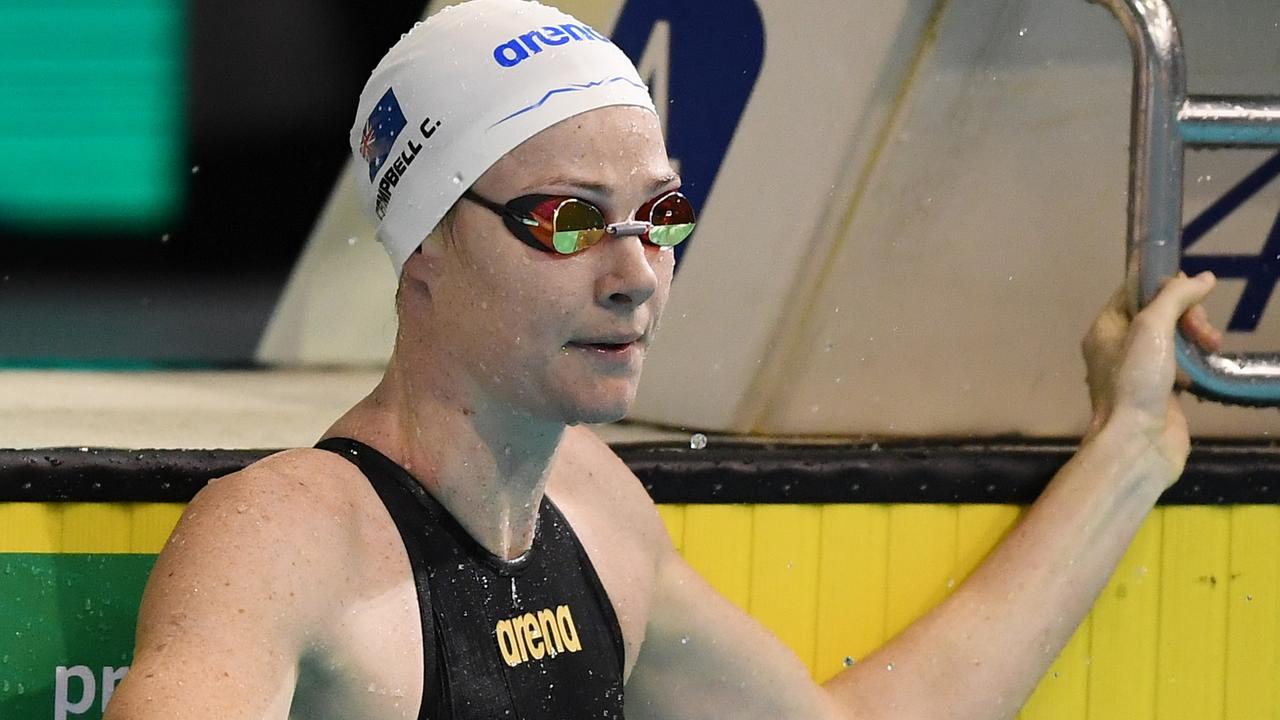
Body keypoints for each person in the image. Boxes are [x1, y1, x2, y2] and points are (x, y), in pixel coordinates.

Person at [104, 1, 1224, 718]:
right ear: (424, 253)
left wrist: (1125, 453)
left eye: (659, 213)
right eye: (566, 220)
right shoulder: (288, 535)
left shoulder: (593, 511)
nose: (635, 271)